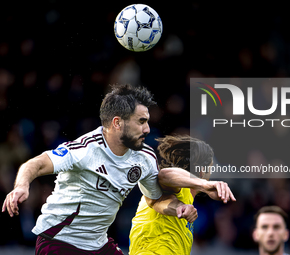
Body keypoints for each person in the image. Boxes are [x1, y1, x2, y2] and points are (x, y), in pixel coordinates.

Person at [2, 84, 199, 255]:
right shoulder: (85, 149)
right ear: (117, 123)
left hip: (98, 245)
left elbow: (156, 199)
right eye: (141, 121)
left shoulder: (145, 157)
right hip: (59, 241)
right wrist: (21, 186)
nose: (147, 129)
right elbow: (35, 163)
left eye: (147, 121)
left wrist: (178, 208)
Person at [129, 135, 236, 255]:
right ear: (202, 171)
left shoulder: (184, 197)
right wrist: (204, 185)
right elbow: (165, 175)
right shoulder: (175, 189)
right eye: (211, 167)